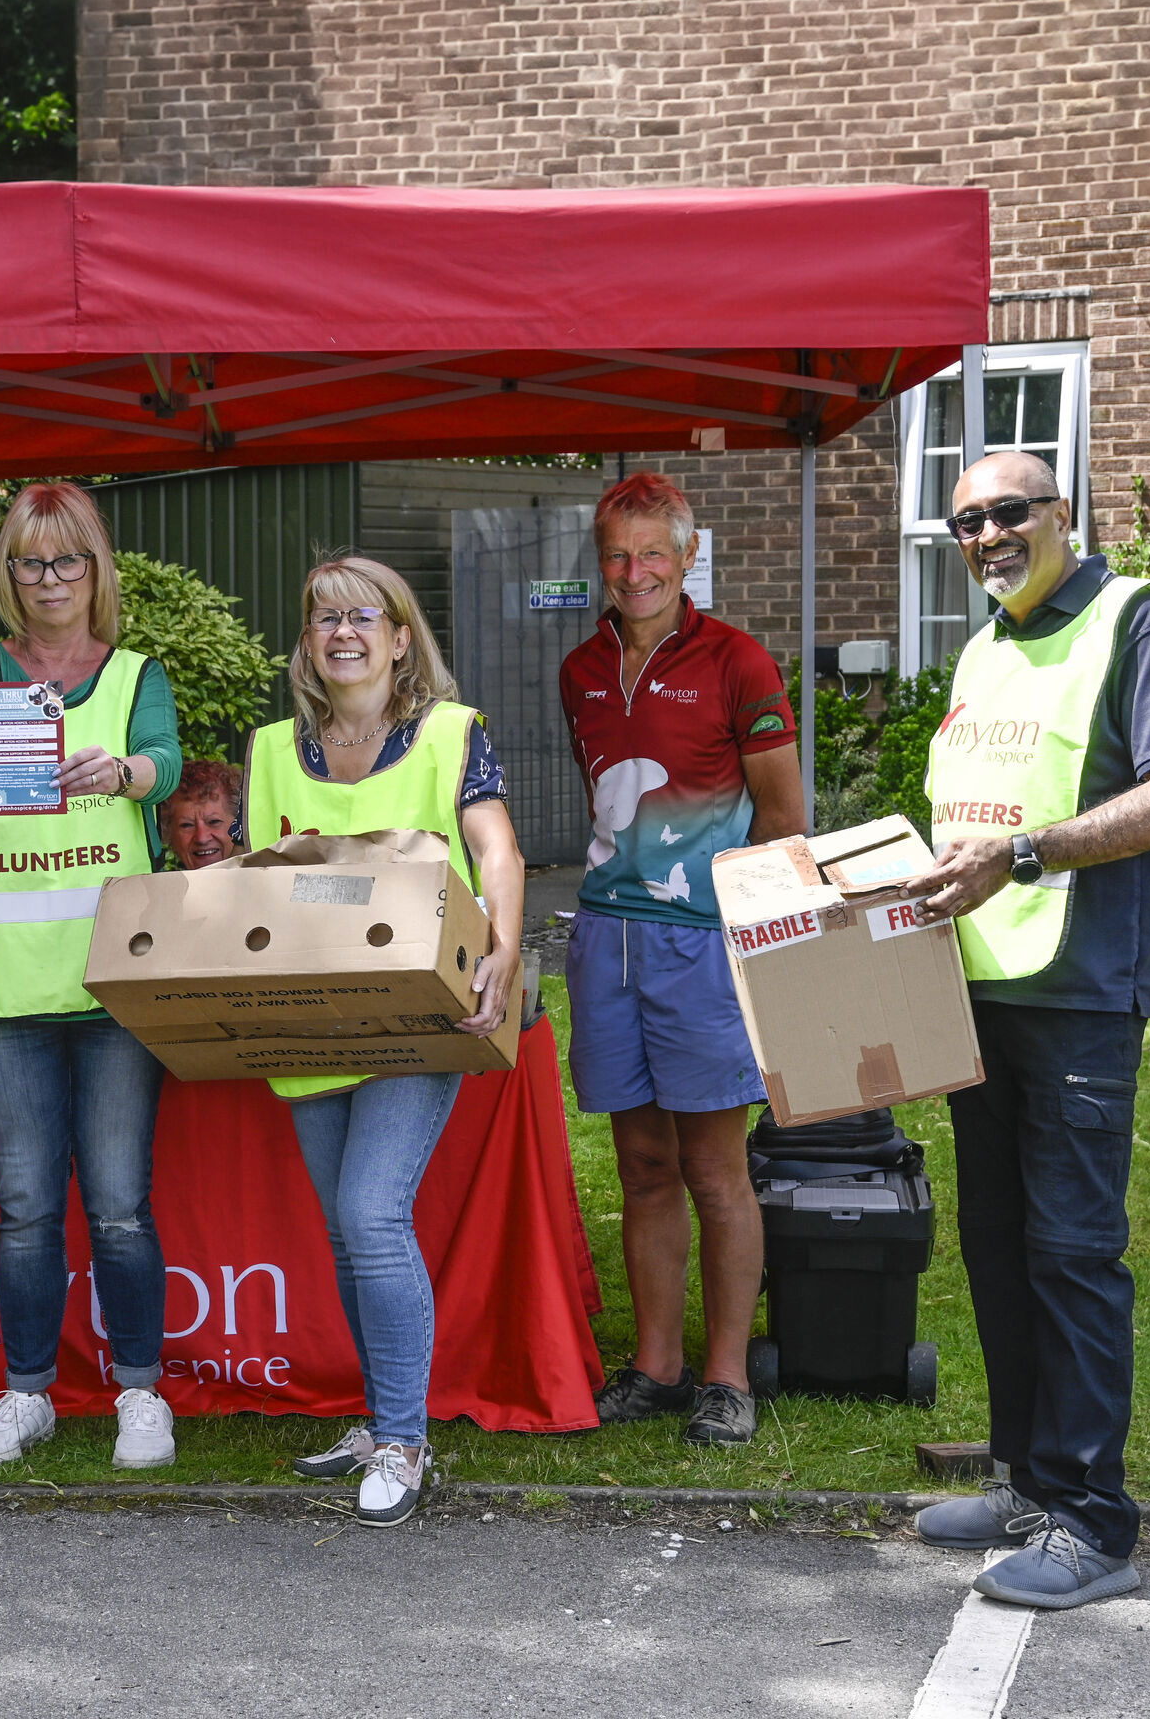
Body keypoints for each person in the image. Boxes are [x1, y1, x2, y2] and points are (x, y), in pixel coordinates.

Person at [905, 452, 1150, 1610]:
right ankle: (1028, 1482)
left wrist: (1023, 854)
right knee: (994, 1240)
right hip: (980, 983)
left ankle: (1093, 1520)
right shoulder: (986, 646)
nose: (985, 534)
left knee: (1072, 1255)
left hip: (1081, 988)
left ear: (1061, 514)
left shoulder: (1136, 623)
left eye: (1005, 512)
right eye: (964, 522)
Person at [0, 482, 183, 1470]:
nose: (50, 579)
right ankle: (26, 1395)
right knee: (24, 1206)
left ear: (95, 570)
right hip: (6, 986)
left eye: (67, 560)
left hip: (111, 984)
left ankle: (140, 1394)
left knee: (116, 1203)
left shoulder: (136, 674)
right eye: (30, 562)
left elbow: (166, 763)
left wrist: (123, 775)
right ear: (7, 574)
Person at [247, 555, 524, 1527]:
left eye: (364, 615)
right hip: (310, 1027)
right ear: (308, 643)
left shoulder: (451, 733)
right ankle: (376, 1423)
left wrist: (503, 943)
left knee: (370, 1215)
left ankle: (404, 1444)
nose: (343, 633)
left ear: (401, 637)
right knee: (346, 1234)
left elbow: (495, 848)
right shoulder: (272, 750)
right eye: (324, 617)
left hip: (416, 1020)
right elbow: (259, 880)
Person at [557, 472, 802, 1449]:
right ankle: (655, 1367)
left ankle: (726, 1377)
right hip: (604, 941)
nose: (634, 571)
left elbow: (785, 821)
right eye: (617, 554)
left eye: (653, 552)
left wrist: (759, 940)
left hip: (702, 943)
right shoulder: (578, 666)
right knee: (642, 1164)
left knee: (714, 1168)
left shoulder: (739, 662)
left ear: (687, 555)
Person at [159, 759, 245, 869]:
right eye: (187, 825)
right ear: (169, 833)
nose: (202, 838)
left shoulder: (268, 880)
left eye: (214, 822)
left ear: (239, 825)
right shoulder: (157, 885)